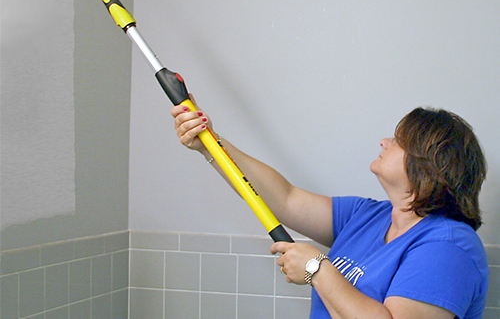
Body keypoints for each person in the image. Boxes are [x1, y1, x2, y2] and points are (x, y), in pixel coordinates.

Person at [172, 99, 489, 318]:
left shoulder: (449, 247)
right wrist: (209, 142)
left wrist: (317, 269)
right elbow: (284, 198)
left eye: (397, 140)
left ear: (428, 163)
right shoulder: (367, 216)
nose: (383, 142)